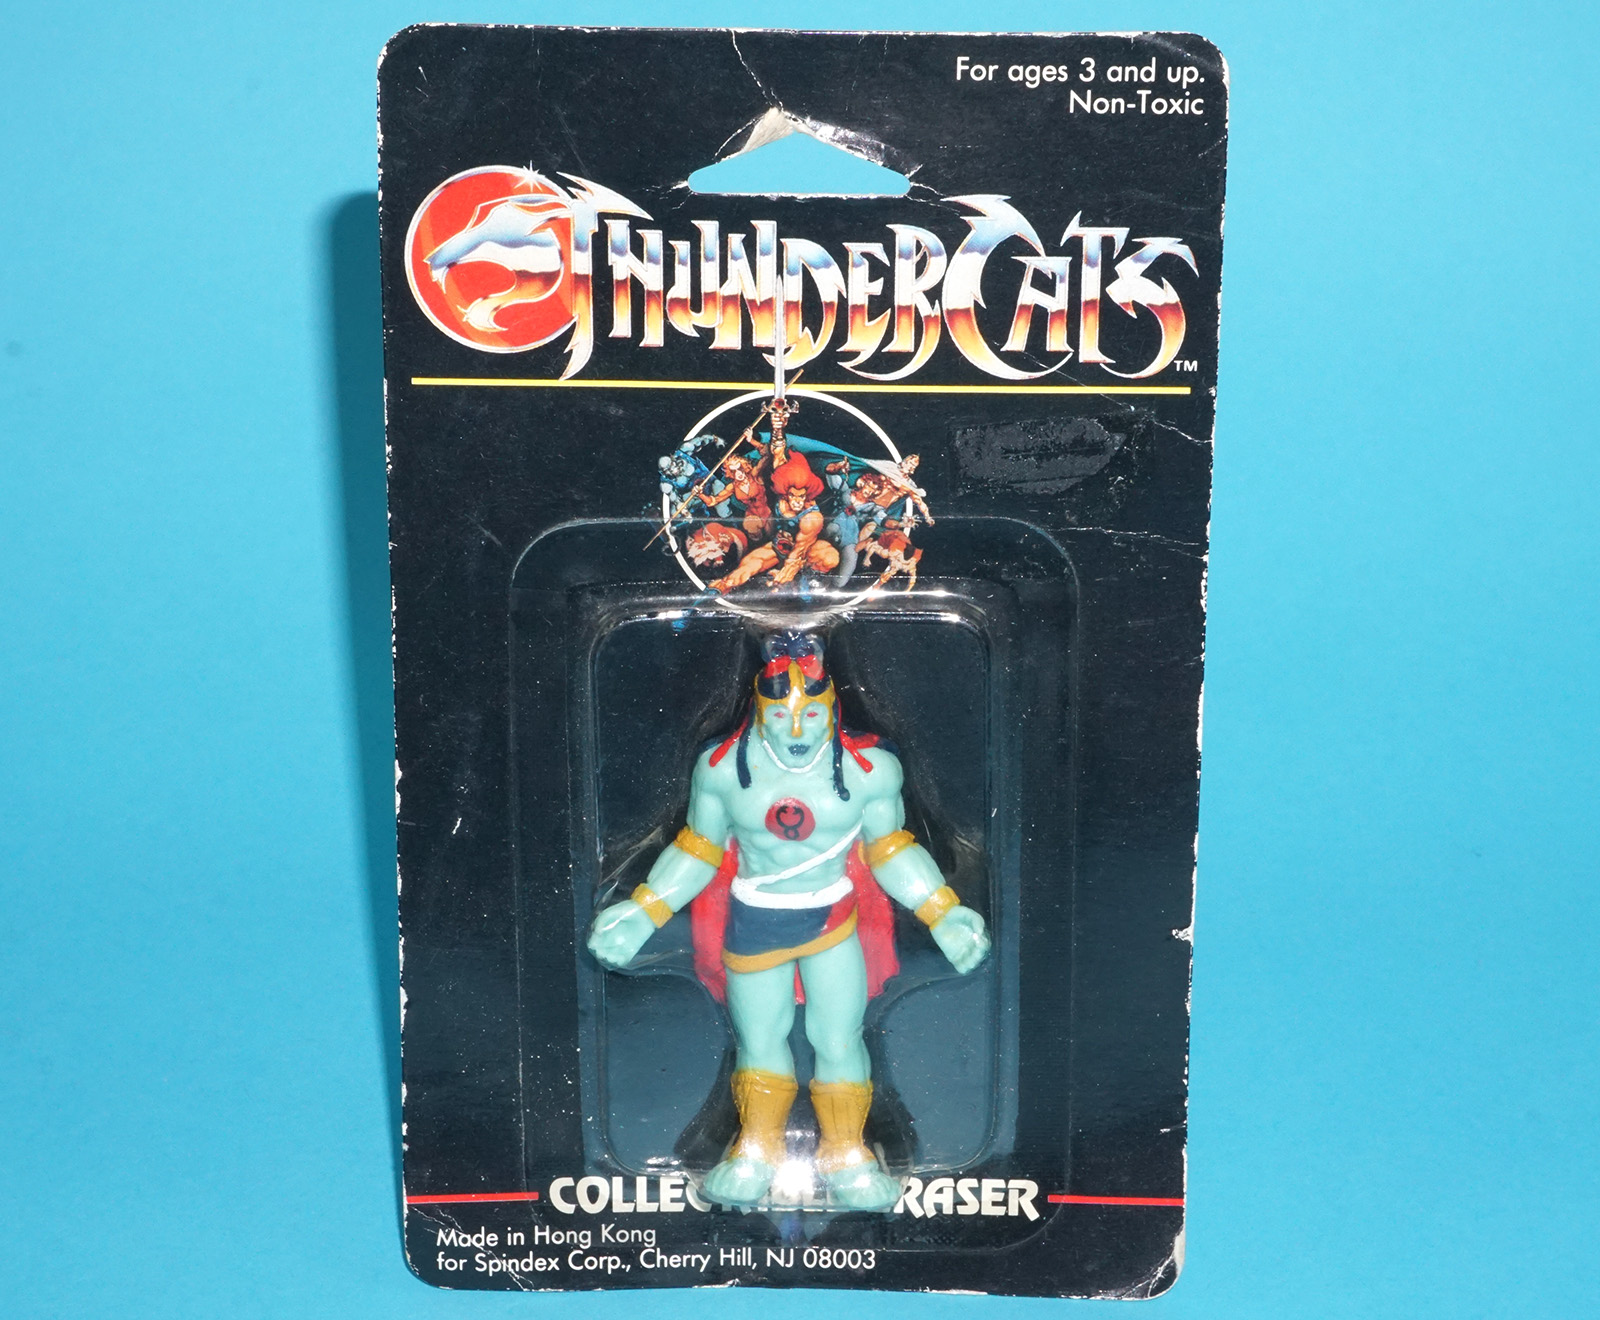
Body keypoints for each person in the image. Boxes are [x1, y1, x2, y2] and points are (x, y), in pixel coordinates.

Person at [586, 632, 990, 1210]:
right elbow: (699, 849)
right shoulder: (722, 771)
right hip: (755, 921)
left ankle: (847, 1154)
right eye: (780, 715)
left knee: (837, 1037)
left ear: (832, 708)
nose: (796, 729)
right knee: (759, 1040)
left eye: (811, 713)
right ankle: (755, 1148)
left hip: (833, 920)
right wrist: (643, 912)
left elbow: (891, 849)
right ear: (759, 710)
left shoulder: (871, 771)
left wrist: (943, 912)